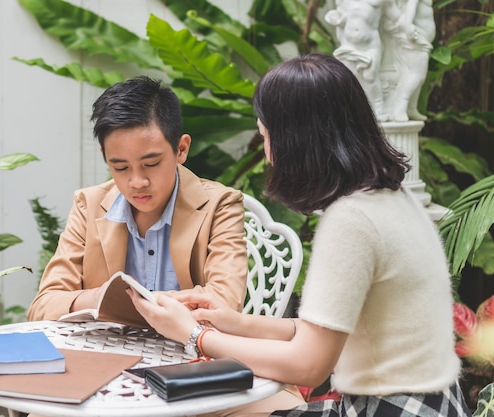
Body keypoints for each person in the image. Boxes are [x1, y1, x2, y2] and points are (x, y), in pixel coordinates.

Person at [128, 54, 471, 417]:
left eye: (266, 137)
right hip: (436, 403)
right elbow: (326, 329)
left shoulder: (352, 220)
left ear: (294, 143)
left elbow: (309, 365)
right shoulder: (392, 197)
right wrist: (234, 322)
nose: (268, 154)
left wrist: (194, 336)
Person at [27, 76, 249, 322]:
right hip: (109, 353)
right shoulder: (88, 206)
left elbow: (226, 301)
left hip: (189, 354)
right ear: (105, 156)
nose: (137, 182)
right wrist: (102, 297)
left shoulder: (220, 205)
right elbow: (43, 306)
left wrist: (135, 303)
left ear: (181, 149)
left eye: (151, 163)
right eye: (121, 167)